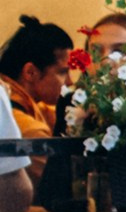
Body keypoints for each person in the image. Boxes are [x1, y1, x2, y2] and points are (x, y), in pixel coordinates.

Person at [0, 17, 73, 190]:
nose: (70, 81)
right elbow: (61, 188)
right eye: (63, 72)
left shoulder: (32, 107)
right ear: (31, 73)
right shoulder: (29, 129)